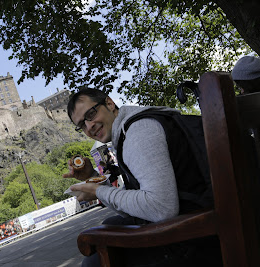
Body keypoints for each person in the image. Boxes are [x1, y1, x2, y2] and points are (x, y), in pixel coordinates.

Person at [63, 88, 222, 266]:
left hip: (201, 239)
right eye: (82, 125)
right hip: (195, 220)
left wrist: (99, 191)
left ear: (109, 103)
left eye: (91, 114)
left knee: (94, 261)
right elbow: (137, 205)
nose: (89, 126)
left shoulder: (138, 133)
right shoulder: (128, 131)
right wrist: (92, 178)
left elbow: (161, 208)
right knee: (111, 224)